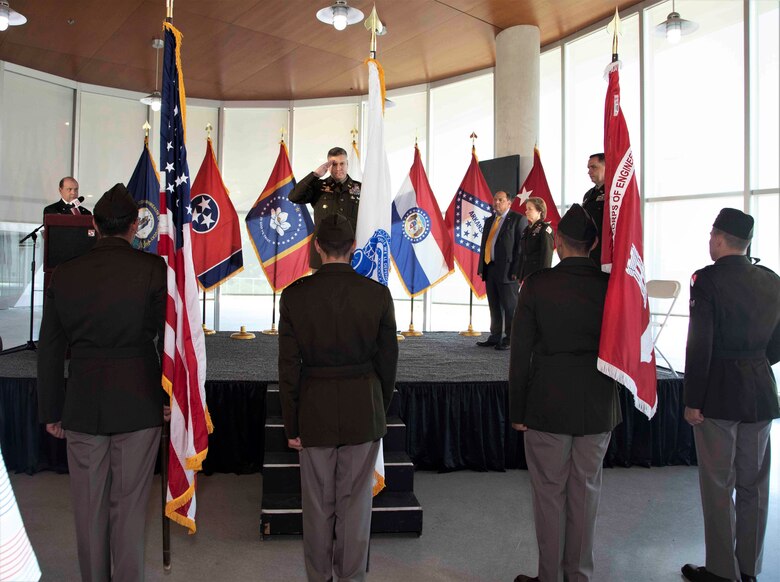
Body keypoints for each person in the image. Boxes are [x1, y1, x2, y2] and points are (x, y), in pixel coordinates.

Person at [37, 183, 167, 582]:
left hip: (82, 403)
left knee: (88, 509)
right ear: (134, 226)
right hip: (138, 402)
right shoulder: (153, 269)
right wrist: (167, 396)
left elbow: (50, 348)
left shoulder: (65, 274)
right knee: (129, 511)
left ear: (93, 224)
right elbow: (168, 338)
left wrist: (51, 410)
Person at [278, 213, 398, 582]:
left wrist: (291, 422)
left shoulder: (294, 296)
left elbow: (289, 367)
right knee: (355, 506)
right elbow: (387, 362)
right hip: (364, 406)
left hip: (314, 409)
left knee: (317, 507)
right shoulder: (377, 294)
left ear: (316, 247)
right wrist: (379, 408)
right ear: (352, 248)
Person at [508, 204, 621, 582]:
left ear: (557, 242)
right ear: (592, 245)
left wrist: (517, 410)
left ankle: (549, 577)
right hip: (597, 401)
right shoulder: (611, 288)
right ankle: (579, 575)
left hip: (547, 401)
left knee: (549, 494)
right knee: (586, 493)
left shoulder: (537, 285)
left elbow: (520, 352)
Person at [681, 209, 780, 582]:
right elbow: (778, 341)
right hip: (759, 391)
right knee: (754, 485)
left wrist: (692, 398)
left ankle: (722, 572)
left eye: (712, 235)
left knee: (718, 486)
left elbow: (699, 344)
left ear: (720, 239)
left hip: (718, 395)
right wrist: (754, 362)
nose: (710, 241)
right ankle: (748, 570)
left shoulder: (707, 280)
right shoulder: (772, 280)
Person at [289, 146, 361, 270]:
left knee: (350, 290)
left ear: (347, 164)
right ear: (328, 166)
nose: (338, 168)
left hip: (351, 255)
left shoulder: (360, 188)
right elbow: (294, 197)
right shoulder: (318, 186)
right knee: (320, 290)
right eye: (334, 164)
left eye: (342, 163)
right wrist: (315, 175)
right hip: (322, 255)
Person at [476, 190, 526, 351]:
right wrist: (481, 267)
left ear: (509, 203)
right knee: (494, 305)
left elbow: (521, 248)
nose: (496, 203)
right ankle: (495, 335)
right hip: (490, 268)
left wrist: (516, 270)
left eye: (501, 200)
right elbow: (485, 246)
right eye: (495, 200)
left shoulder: (518, 219)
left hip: (508, 270)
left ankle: (510, 338)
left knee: (510, 306)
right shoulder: (489, 220)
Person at [518, 196, 554, 281]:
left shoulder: (545, 229)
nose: (526, 211)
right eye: (526, 209)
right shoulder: (526, 230)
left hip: (538, 274)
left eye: (530, 209)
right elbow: (523, 254)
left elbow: (547, 256)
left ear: (539, 211)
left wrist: (543, 277)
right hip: (526, 274)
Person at [582, 153, 604, 266]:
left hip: (605, 252)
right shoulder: (588, 195)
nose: (589, 172)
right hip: (589, 252)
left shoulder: (614, 194)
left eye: (594, 167)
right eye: (588, 168)